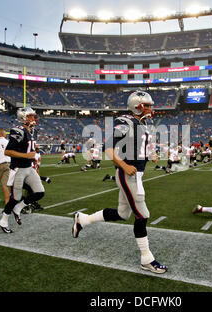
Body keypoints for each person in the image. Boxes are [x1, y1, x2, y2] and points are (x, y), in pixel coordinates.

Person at [72, 91, 167, 274]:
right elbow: (108, 148)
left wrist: (150, 155)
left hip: (136, 174)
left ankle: (83, 219)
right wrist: (123, 165)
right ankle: (146, 259)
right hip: (127, 174)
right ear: (137, 106)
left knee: (123, 214)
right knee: (142, 214)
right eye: (147, 105)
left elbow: (137, 147)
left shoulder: (142, 123)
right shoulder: (125, 122)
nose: (150, 108)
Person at [0, 107, 45, 234]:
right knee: (15, 197)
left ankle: (18, 208)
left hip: (29, 167)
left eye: (33, 116)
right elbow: (7, 151)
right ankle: (3, 220)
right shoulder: (18, 131)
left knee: (40, 192)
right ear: (23, 117)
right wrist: (26, 156)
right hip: (18, 168)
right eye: (30, 116)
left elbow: (29, 149)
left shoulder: (32, 131)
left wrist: (33, 157)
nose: (33, 119)